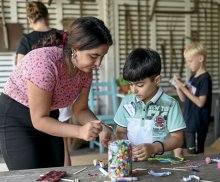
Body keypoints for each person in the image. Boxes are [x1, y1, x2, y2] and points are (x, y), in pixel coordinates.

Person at [0, 16, 113, 170]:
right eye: (94, 56)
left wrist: (100, 127)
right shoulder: (45, 64)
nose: (98, 63)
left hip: (49, 117)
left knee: (57, 172)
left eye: (102, 56)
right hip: (16, 118)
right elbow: (39, 120)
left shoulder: (85, 70)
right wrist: (80, 131)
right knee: (29, 175)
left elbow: (81, 109)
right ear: (75, 49)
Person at [16, 1, 71, 166]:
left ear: (29, 19)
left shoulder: (26, 39)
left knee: (41, 134)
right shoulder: (62, 36)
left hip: (39, 96)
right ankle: (66, 172)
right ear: (48, 16)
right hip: (64, 93)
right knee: (63, 140)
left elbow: (20, 70)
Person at [114, 48, 186, 161]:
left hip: (162, 164)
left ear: (157, 80)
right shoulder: (126, 102)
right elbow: (120, 131)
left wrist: (154, 148)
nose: (133, 90)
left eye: (140, 85)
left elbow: (178, 138)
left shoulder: (170, 104)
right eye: (131, 84)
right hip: (133, 163)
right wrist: (129, 149)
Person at [171, 42, 212, 155]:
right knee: (179, 148)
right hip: (188, 122)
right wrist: (179, 86)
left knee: (196, 155)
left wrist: (183, 88)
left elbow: (200, 103)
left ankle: (198, 173)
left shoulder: (205, 79)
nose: (188, 64)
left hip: (197, 124)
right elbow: (184, 98)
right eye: (187, 61)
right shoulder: (193, 77)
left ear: (200, 58)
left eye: (190, 61)